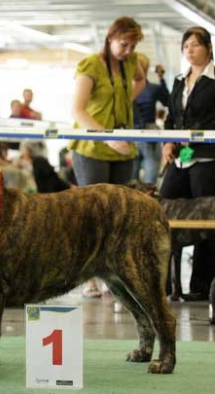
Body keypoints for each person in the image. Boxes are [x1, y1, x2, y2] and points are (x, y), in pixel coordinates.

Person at [69, 16, 146, 298]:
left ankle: (112, 276)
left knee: (118, 216)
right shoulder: (90, 64)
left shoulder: (131, 61)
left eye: (133, 45)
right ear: (110, 38)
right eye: (124, 44)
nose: (128, 50)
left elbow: (141, 80)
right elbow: (77, 110)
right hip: (92, 148)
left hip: (124, 147)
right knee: (91, 216)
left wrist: (124, 101)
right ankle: (86, 277)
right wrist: (107, 135)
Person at [160, 26, 215, 300]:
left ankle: (201, 287)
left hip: (208, 158)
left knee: (207, 221)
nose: (190, 50)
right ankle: (165, 285)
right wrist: (168, 141)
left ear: (209, 48)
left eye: (195, 45)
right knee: (163, 214)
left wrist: (195, 136)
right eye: (186, 46)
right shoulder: (179, 80)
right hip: (180, 158)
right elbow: (171, 118)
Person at [131, 53, 169, 184]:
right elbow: (168, 101)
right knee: (149, 184)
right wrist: (161, 78)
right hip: (147, 134)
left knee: (130, 184)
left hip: (130, 134)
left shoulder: (124, 90)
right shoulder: (153, 89)